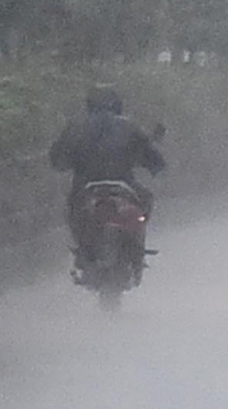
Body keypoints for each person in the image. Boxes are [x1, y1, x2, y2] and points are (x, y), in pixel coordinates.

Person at [49, 85, 166, 272]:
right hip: (124, 184)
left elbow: (57, 160)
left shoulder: (76, 127)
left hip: (85, 187)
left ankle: (83, 250)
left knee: (72, 209)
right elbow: (153, 158)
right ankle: (137, 249)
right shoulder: (129, 126)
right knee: (146, 200)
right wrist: (155, 166)